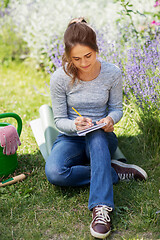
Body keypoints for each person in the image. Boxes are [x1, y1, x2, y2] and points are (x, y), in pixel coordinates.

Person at [45, 17, 147, 239]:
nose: (83, 63)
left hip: (101, 136)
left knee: (98, 138)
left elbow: (117, 109)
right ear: (68, 56)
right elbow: (60, 119)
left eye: (88, 56)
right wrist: (74, 124)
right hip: (71, 137)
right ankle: (112, 172)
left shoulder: (112, 73)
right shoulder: (60, 78)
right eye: (76, 58)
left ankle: (102, 208)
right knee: (55, 172)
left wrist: (110, 120)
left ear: (96, 48)